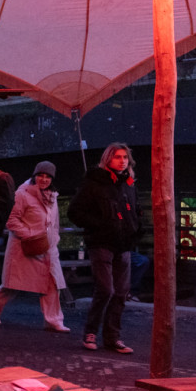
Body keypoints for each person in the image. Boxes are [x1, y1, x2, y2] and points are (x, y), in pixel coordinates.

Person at [67, 143, 140, 354]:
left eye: (125, 157)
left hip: (123, 243)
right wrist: (99, 224)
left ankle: (112, 337)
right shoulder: (94, 183)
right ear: (108, 158)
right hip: (101, 242)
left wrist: (135, 229)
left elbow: (134, 210)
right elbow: (75, 212)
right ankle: (90, 332)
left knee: (121, 292)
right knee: (106, 289)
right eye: (117, 156)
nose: (122, 160)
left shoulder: (128, 183)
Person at [0, 161, 68, 332]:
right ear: (34, 176)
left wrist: (54, 238)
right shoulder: (22, 194)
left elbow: (54, 222)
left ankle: (53, 320)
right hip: (24, 246)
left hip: (47, 247)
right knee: (12, 284)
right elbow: (11, 220)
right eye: (40, 175)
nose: (43, 179)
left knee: (52, 282)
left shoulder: (52, 196)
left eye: (47, 176)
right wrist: (29, 234)